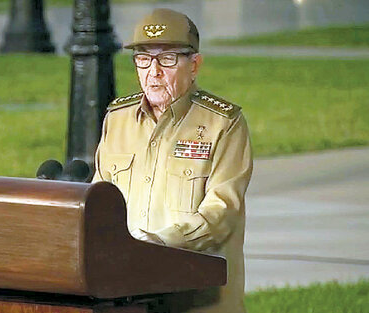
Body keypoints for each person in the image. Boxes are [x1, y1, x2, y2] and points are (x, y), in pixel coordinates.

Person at [92, 8, 253, 313]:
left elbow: (222, 212)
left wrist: (158, 245)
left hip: (196, 299)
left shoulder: (223, 124)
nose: (153, 72)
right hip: (129, 295)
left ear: (194, 65)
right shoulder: (117, 118)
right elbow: (100, 200)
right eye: (143, 58)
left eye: (167, 59)